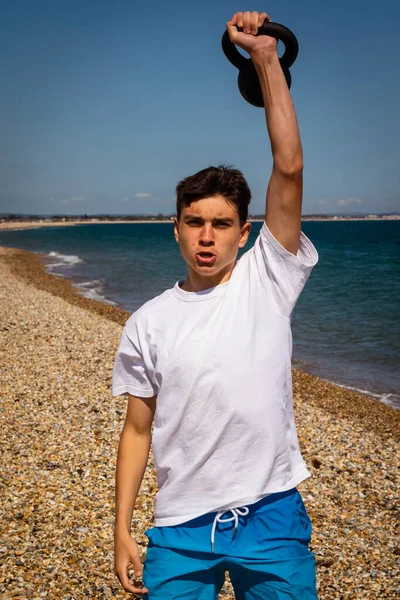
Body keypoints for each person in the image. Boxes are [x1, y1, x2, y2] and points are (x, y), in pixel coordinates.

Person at [112, 10, 319, 600]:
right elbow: (136, 429)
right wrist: (122, 528)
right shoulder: (148, 322)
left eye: (221, 224)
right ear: (174, 229)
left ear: (245, 232)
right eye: (195, 222)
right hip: (178, 527)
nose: (207, 236)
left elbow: (290, 165)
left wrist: (265, 59)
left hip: (271, 513)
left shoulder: (268, 280)